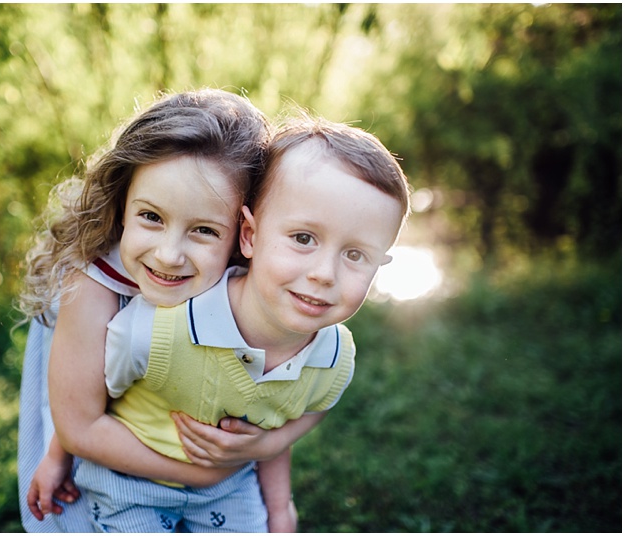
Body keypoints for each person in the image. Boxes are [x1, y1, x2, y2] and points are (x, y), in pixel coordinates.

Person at [68, 115, 412, 532]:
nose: (325, 274)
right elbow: (87, 406)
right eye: (303, 238)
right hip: (130, 486)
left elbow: (308, 405)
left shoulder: (334, 358)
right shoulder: (155, 330)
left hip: (230, 491)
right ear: (249, 235)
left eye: (356, 255)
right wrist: (57, 452)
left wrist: (274, 466)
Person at [18, 88, 318, 532]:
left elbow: (271, 398)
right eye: (152, 217)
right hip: (107, 448)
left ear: (244, 234)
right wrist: (206, 473)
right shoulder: (92, 283)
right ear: (122, 204)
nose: (168, 255)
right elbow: (80, 427)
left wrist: (266, 456)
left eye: (203, 230)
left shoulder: (244, 290)